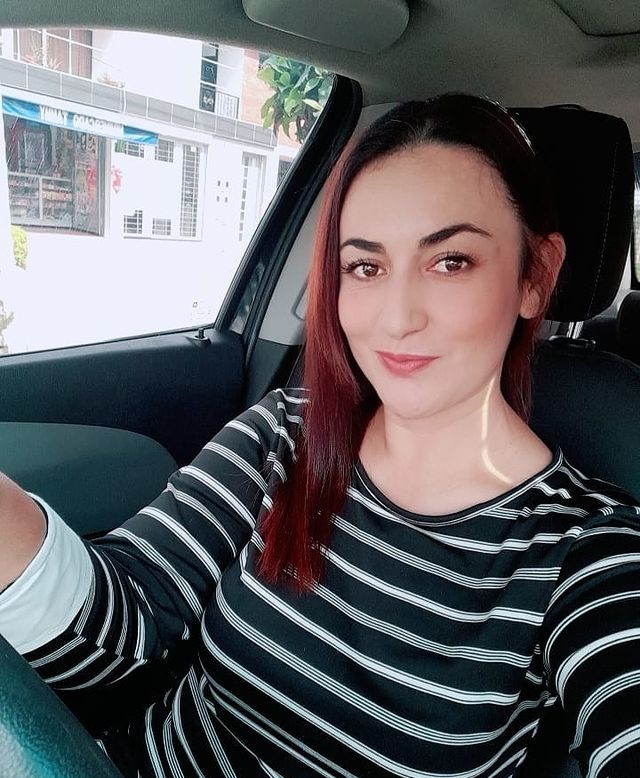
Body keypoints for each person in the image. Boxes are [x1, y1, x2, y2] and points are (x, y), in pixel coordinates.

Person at [1, 94, 639, 778]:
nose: (396, 318)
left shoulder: (587, 551)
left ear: (535, 276)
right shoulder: (286, 433)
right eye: (365, 267)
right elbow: (124, 619)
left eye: (450, 261)